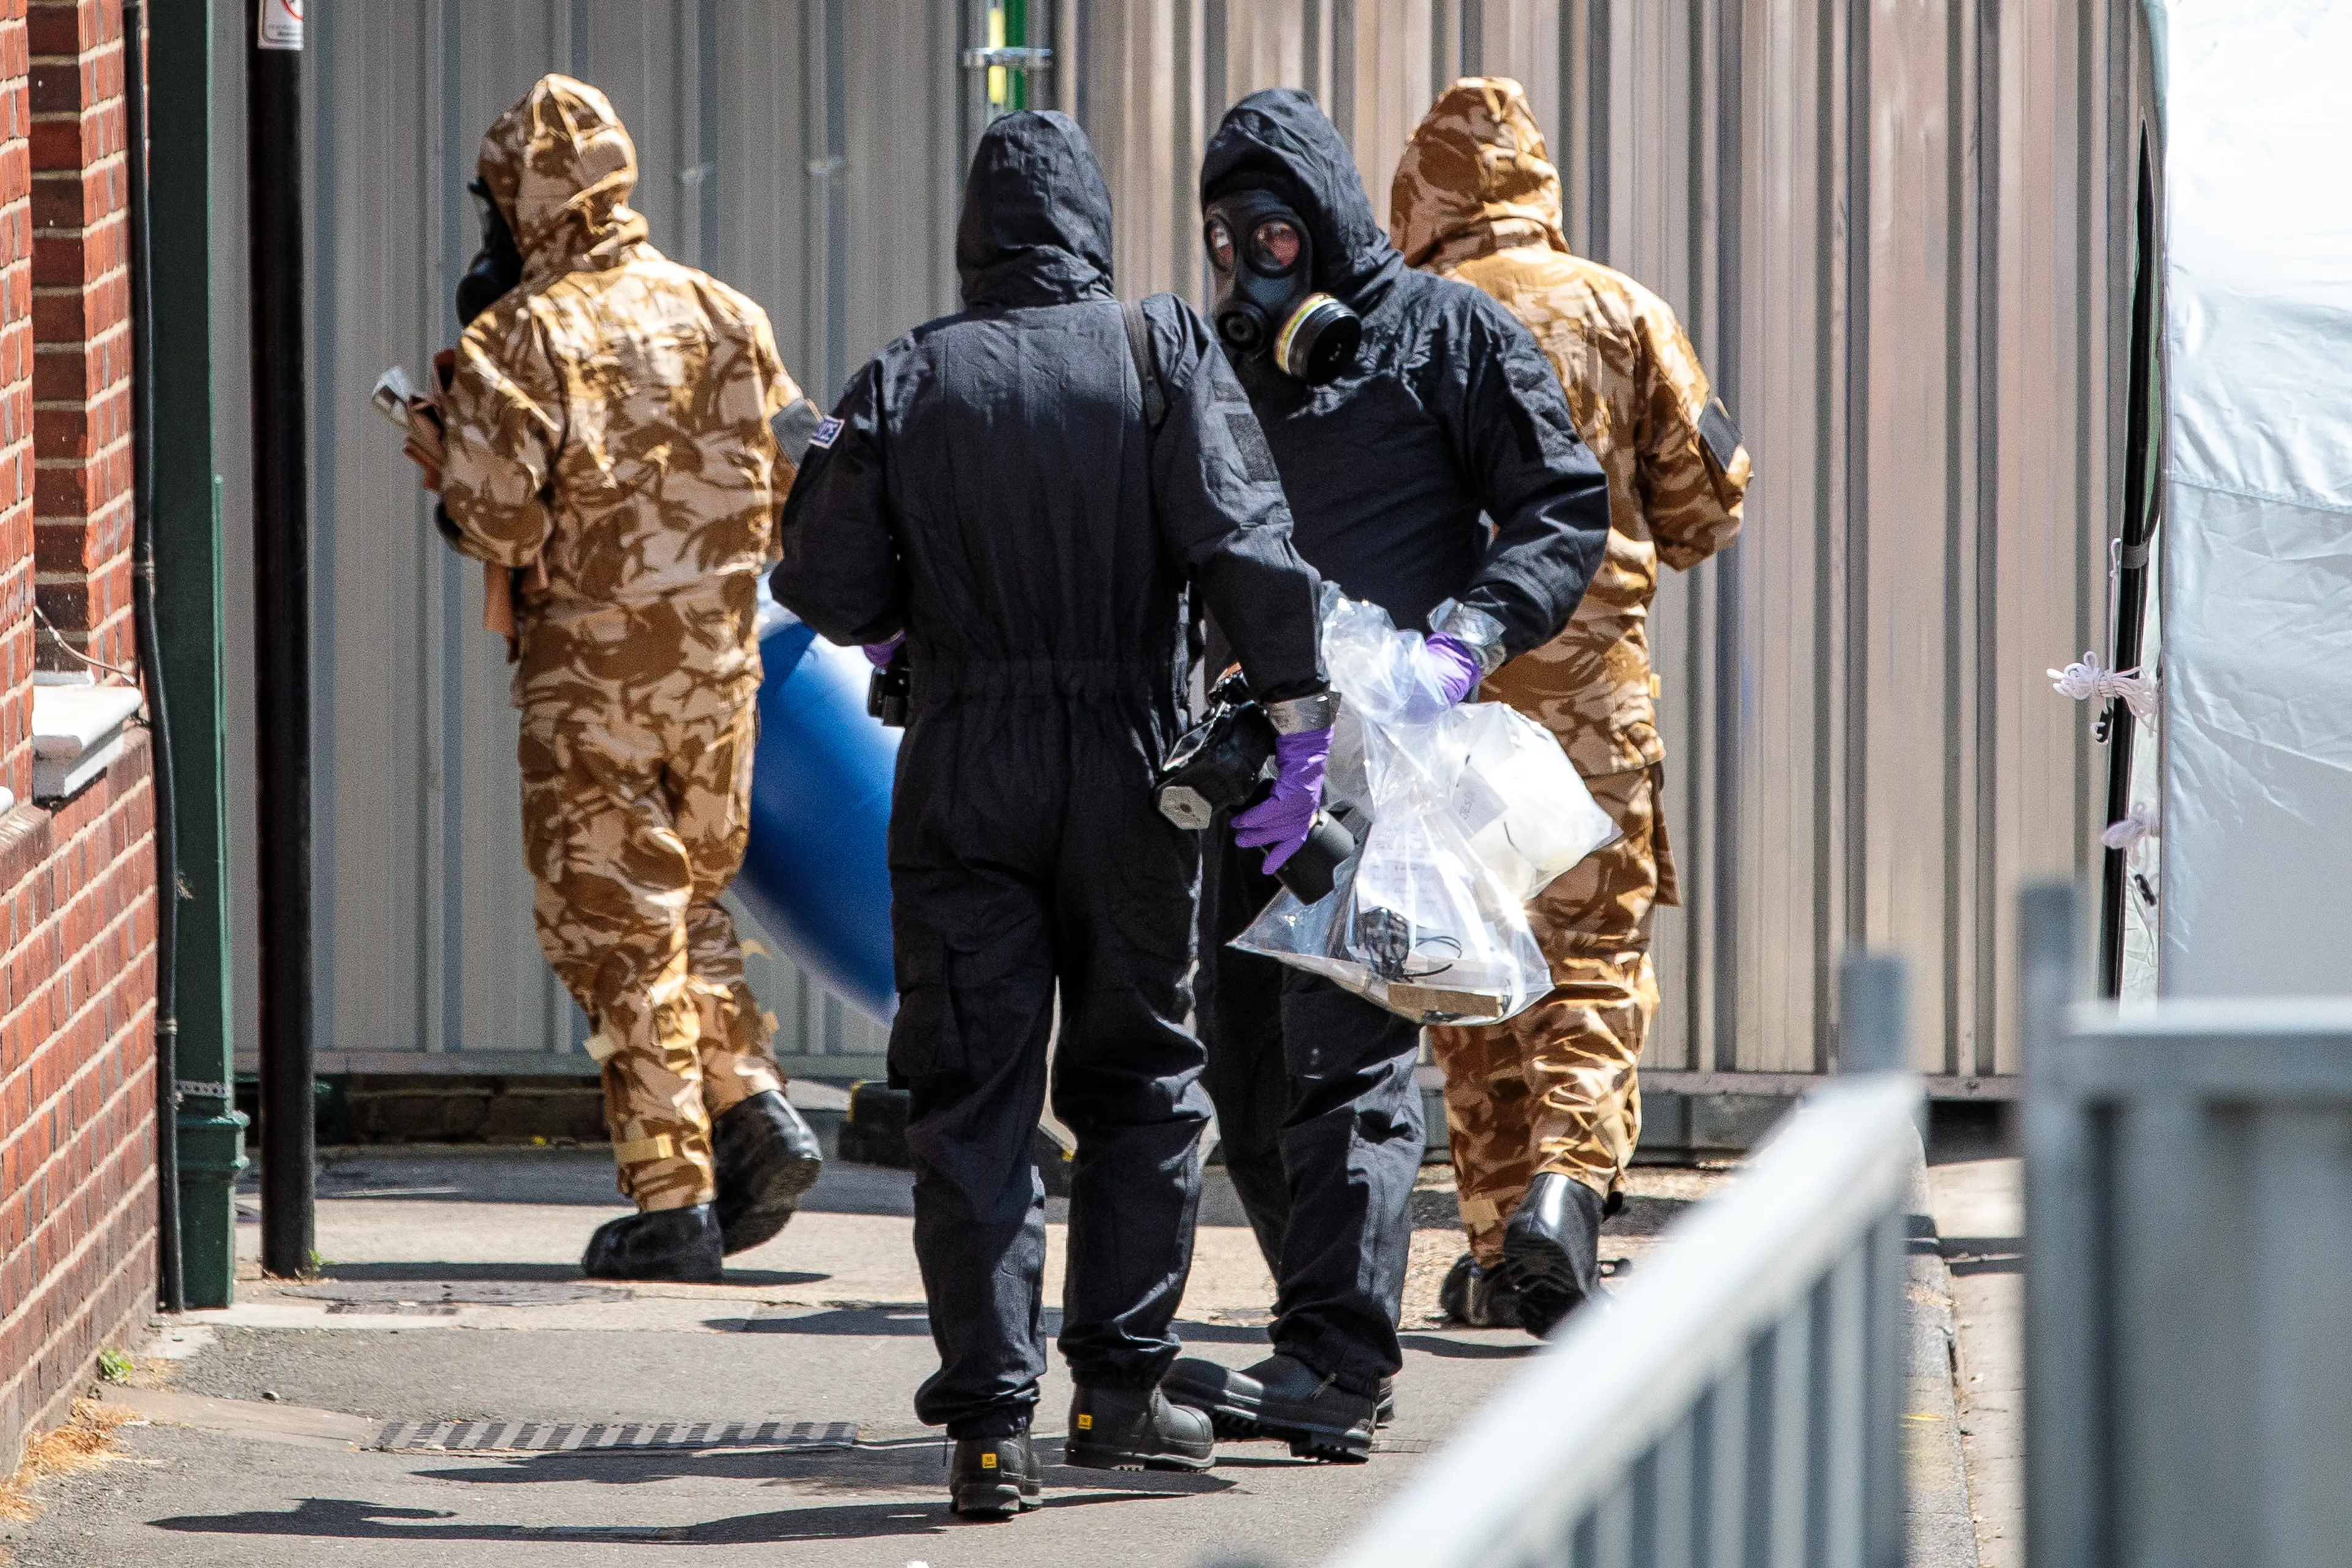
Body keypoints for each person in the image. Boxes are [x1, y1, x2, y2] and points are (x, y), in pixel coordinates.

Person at [771, 110, 1331, 1518]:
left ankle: (985, 1426)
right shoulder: (1156, 353)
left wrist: (920, 612)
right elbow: (1248, 546)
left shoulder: (911, 373)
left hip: (966, 762)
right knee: (1142, 1078)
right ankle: (1122, 1387)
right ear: (1088, 224)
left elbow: (827, 590)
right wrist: (1298, 722)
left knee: (972, 1093)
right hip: (1137, 764)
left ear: (975, 235)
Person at [1164, 88, 1613, 1458]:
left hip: (1389, 764)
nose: (1250, 261)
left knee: (1349, 1062)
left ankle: (1339, 1359)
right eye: (1227, 240)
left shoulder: (1448, 331)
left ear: (1331, 218)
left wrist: (1469, 635)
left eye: (1273, 231)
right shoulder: (1210, 361)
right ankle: (1320, 1328)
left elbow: (1561, 502)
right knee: (1241, 1068)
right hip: (1258, 761)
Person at [428, 75, 826, 1285]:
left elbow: (494, 522)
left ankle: (675, 1199)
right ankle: (751, 1108)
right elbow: (805, 477)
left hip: (591, 692)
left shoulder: (520, 340)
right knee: (684, 909)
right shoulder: (727, 313)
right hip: (717, 690)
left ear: (526, 203)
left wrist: (446, 441)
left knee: (617, 934)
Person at [1390, 78, 1750, 1335]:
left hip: (1442, 703)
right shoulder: (1624, 309)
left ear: (1419, 197)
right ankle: (1566, 1195)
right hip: (1593, 702)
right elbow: (1705, 511)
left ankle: (1497, 1251)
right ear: (1539, 178)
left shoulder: (1404, 316)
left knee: (1470, 967)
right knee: (1592, 960)